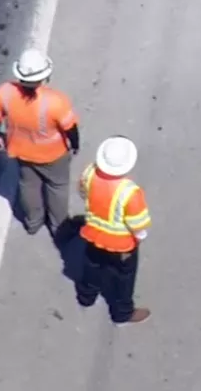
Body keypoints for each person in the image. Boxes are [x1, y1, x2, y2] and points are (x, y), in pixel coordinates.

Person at [0, 48, 80, 237]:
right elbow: (70, 129)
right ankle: (59, 227)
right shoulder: (56, 101)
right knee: (57, 187)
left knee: (28, 185)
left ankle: (33, 222)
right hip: (54, 155)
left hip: (21, 152)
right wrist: (75, 145)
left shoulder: (4, 93)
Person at [75, 136, 152, 325]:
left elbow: (83, 192)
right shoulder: (130, 192)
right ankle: (122, 313)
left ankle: (86, 297)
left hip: (93, 235)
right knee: (123, 280)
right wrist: (140, 237)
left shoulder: (89, 173)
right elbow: (138, 224)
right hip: (122, 246)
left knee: (92, 267)